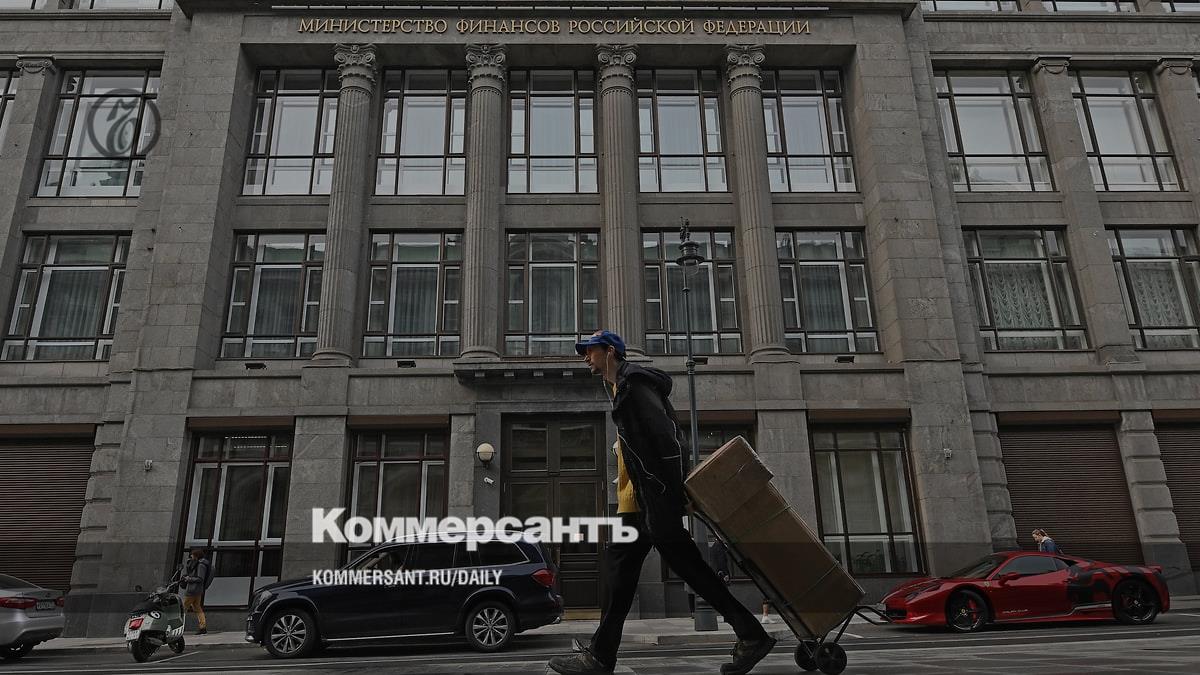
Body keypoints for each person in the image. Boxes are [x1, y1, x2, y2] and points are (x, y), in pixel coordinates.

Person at [548, 330, 775, 675]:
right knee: (627, 576)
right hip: (639, 502)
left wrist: (670, 492)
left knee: (680, 572)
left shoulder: (635, 386)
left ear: (610, 352)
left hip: (652, 502)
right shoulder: (622, 387)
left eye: (590, 351)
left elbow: (669, 442)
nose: (585, 357)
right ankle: (601, 656)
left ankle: (751, 634)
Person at [181, 548, 212, 635]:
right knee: (197, 607)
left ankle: (179, 626)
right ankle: (202, 627)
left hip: (193, 590)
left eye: (192, 554)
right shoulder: (198, 563)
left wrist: (189, 579)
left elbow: (200, 578)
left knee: (184, 608)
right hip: (196, 590)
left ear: (196, 556)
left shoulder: (201, 565)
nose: (191, 556)